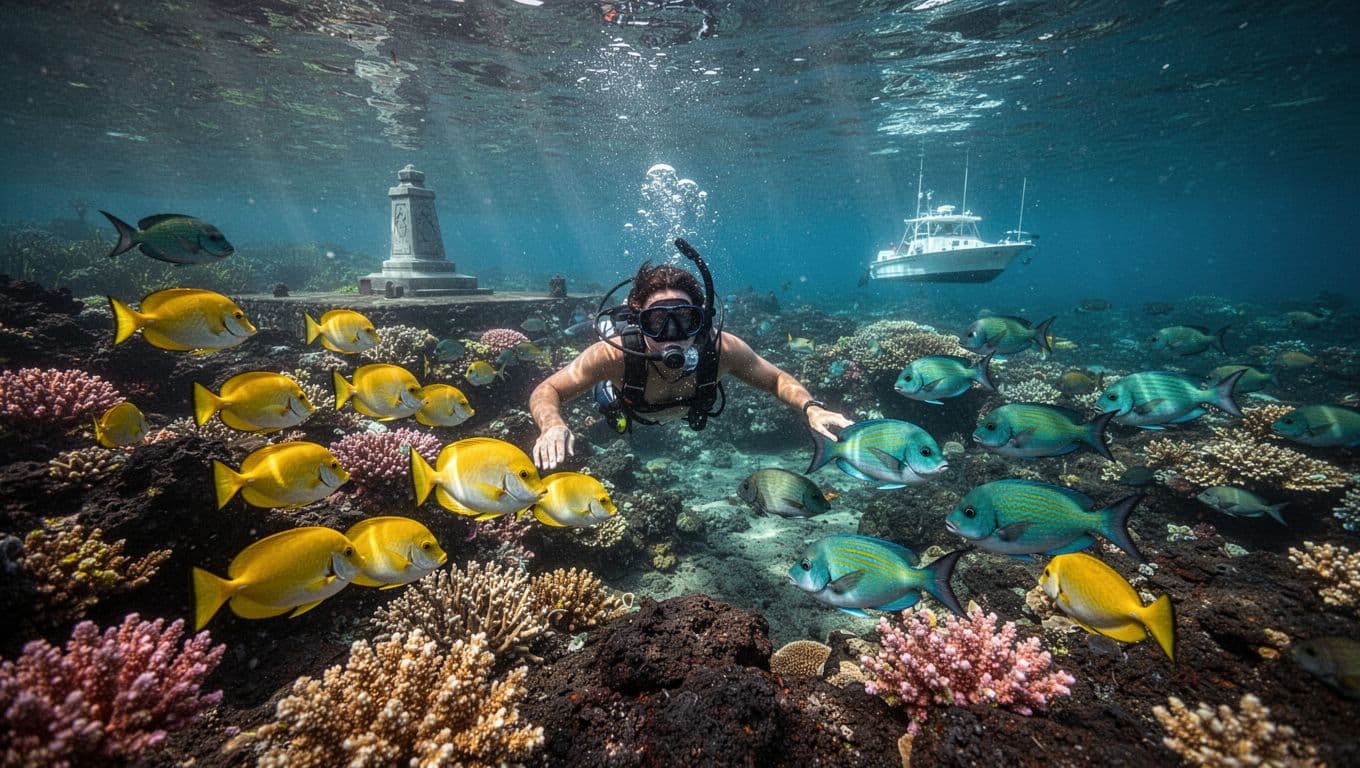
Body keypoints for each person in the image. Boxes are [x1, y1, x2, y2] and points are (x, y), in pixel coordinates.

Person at [529, 240, 852, 471]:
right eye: (656, 322)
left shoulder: (722, 349)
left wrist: (811, 409)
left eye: (685, 320)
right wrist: (552, 425)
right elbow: (548, 390)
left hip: (682, 408)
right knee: (606, 396)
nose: (673, 334)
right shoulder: (614, 355)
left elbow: (777, 379)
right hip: (625, 402)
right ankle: (608, 389)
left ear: (701, 320)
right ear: (638, 321)